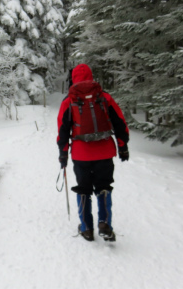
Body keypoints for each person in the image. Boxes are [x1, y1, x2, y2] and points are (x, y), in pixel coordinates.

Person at [56, 64, 129, 241]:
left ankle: (87, 228)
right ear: (91, 76)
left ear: (73, 78)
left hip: (81, 154)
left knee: (84, 189)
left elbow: (63, 130)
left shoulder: (69, 101)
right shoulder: (103, 97)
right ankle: (104, 223)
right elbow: (120, 122)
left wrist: (63, 154)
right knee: (104, 187)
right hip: (104, 151)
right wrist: (122, 146)